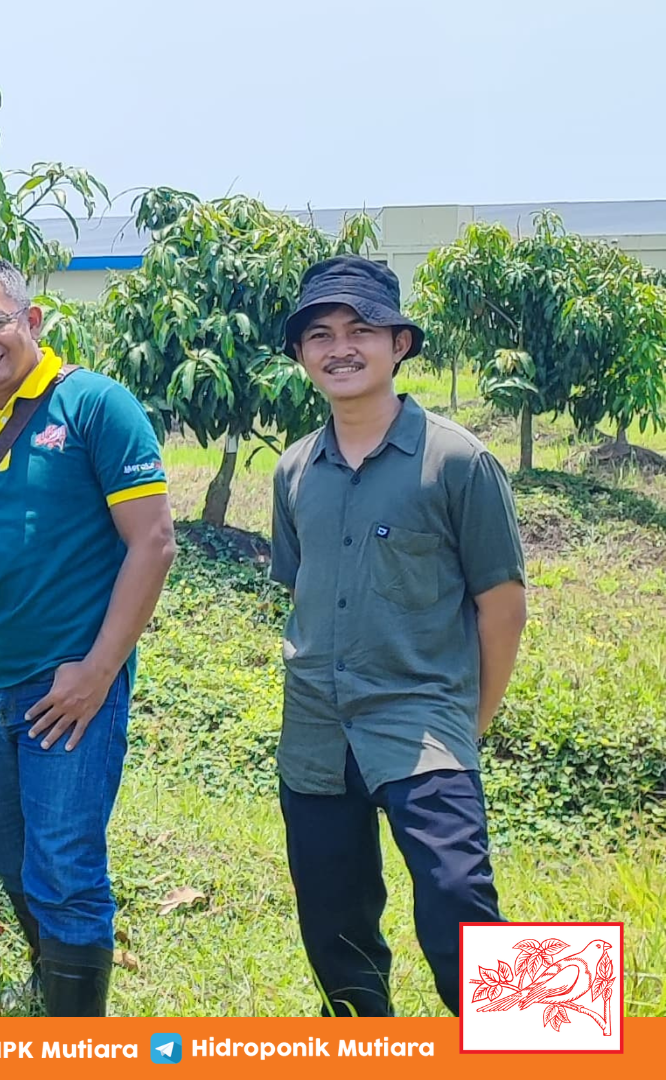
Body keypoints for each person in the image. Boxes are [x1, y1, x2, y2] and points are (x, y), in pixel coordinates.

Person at [0, 255, 177, 1016]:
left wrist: (96, 671)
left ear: (31, 321)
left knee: (65, 863)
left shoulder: (95, 405)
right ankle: (50, 969)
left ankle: (73, 1028)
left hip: (69, 683)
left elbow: (152, 542)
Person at [270, 255, 529, 1017]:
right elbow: (302, 587)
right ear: (300, 355)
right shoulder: (294, 470)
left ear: (400, 343)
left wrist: (468, 723)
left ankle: (544, 1046)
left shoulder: (458, 461)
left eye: (361, 330)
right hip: (316, 725)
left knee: (458, 900)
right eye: (319, 334)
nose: (339, 347)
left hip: (422, 717)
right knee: (334, 923)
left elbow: (503, 607)